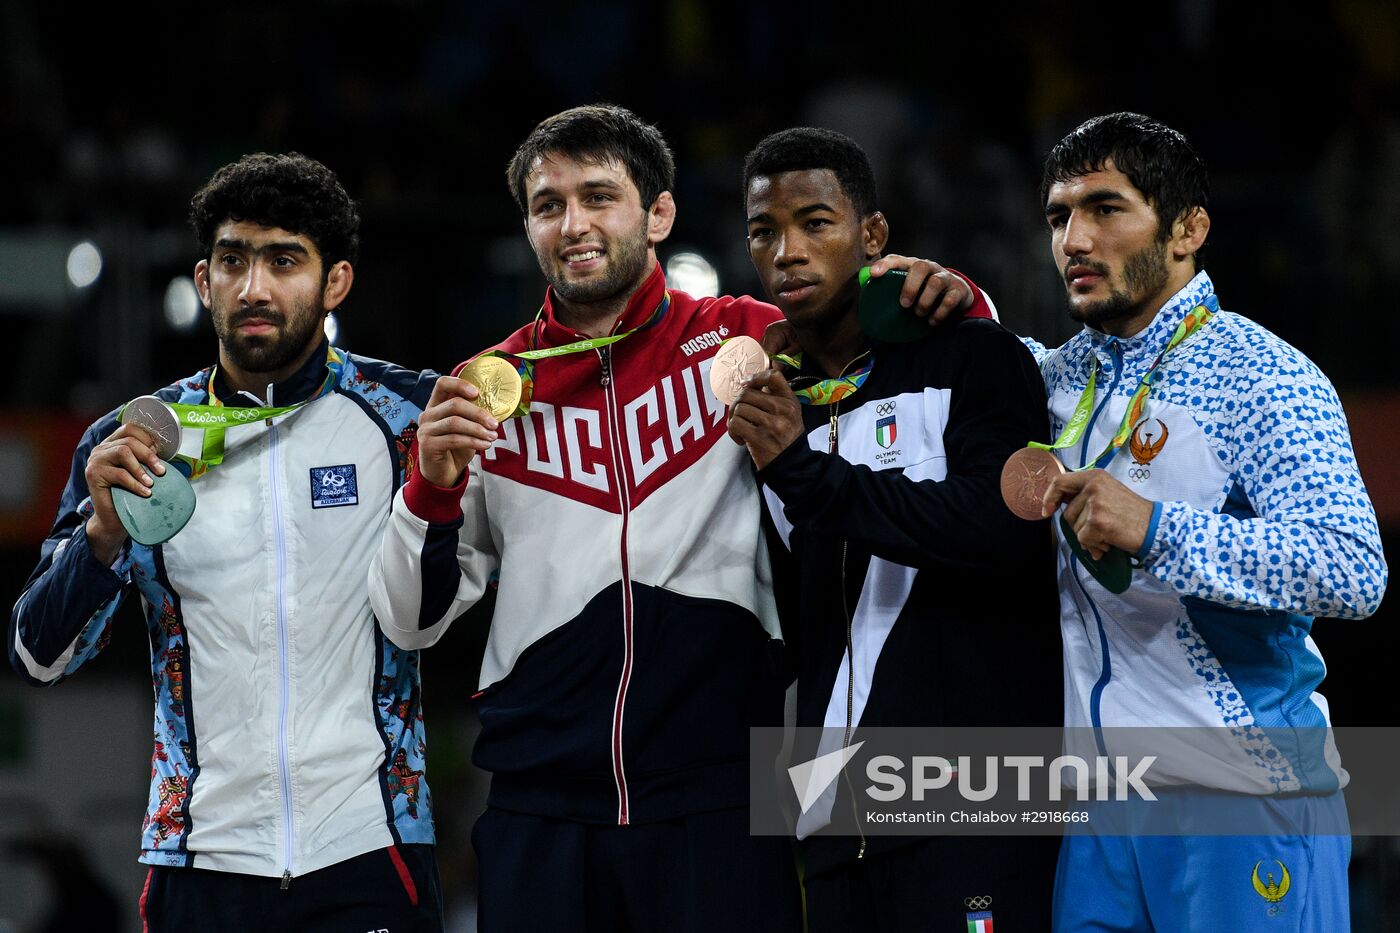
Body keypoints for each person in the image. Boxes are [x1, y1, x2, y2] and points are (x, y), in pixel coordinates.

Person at [366, 104, 979, 931]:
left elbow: (946, 387)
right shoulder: (484, 392)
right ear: (528, 227)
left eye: (598, 197)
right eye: (549, 206)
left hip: (722, 799)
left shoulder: (753, 341)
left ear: (658, 214)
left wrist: (948, 294)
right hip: (540, 813)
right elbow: (409, 621)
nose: (573, 224)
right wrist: (430, 489)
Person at [8, 153, 443, 932]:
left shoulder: (407, 417)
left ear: (334, 282)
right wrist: (104, 532)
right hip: (199, 864)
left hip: (368, 852)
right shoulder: (134, 440)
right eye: (233, 260)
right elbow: (40, 654)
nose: (255, 288)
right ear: (204, 281)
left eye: (284, 261)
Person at [1034, 112, 1388, 931]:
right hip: (1098, 808)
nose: (1075, 239)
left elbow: (1351, 568)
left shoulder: (1263, 374)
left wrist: (1159, 529)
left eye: (1106, 208)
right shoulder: (1058, 377)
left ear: (1189, 229)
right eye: (1059, 216)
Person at [729, 127, 1063, 932]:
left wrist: (804, 474)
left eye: (816, 223)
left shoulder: (977, 358)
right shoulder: (780, 410)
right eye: (764, 232)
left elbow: (1002, 526)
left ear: (873, 235)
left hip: (974, 806)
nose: (788, 253)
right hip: (835, 811)